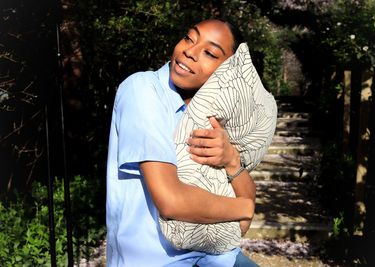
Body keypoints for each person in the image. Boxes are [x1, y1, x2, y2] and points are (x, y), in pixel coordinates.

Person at [106, 18, 268, 266]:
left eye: (209, 53)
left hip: (216, 256)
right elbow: (171, 201)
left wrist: (231, 160)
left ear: (228, 70)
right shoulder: (143, 91)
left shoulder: (215, 112)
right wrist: (244, 208)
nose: (189, 52)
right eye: (188, 38)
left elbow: (246, 199)